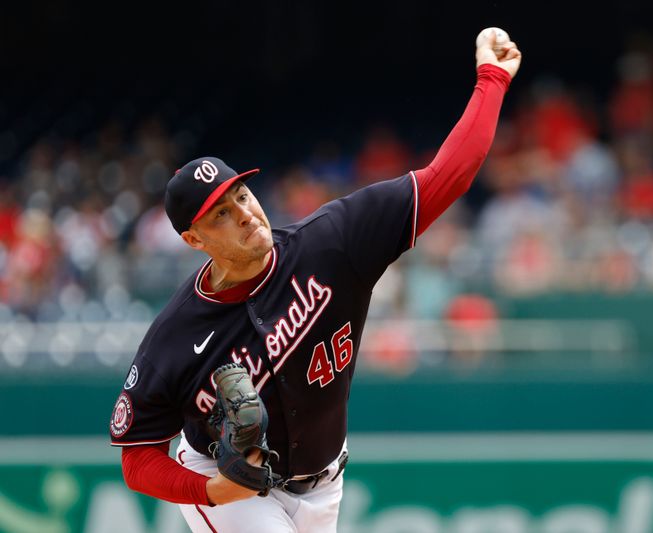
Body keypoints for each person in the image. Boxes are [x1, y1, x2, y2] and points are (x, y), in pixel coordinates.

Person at [108, 30, 521, 532]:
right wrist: (209, 491)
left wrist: (493, 78)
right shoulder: (175, 336)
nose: (243, 214)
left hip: (326, 482)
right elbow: (138, 459)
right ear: (194, 240)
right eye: (219, 214)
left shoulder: (332, 243)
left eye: (240, 195)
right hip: (231, 489)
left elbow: (448, 174)